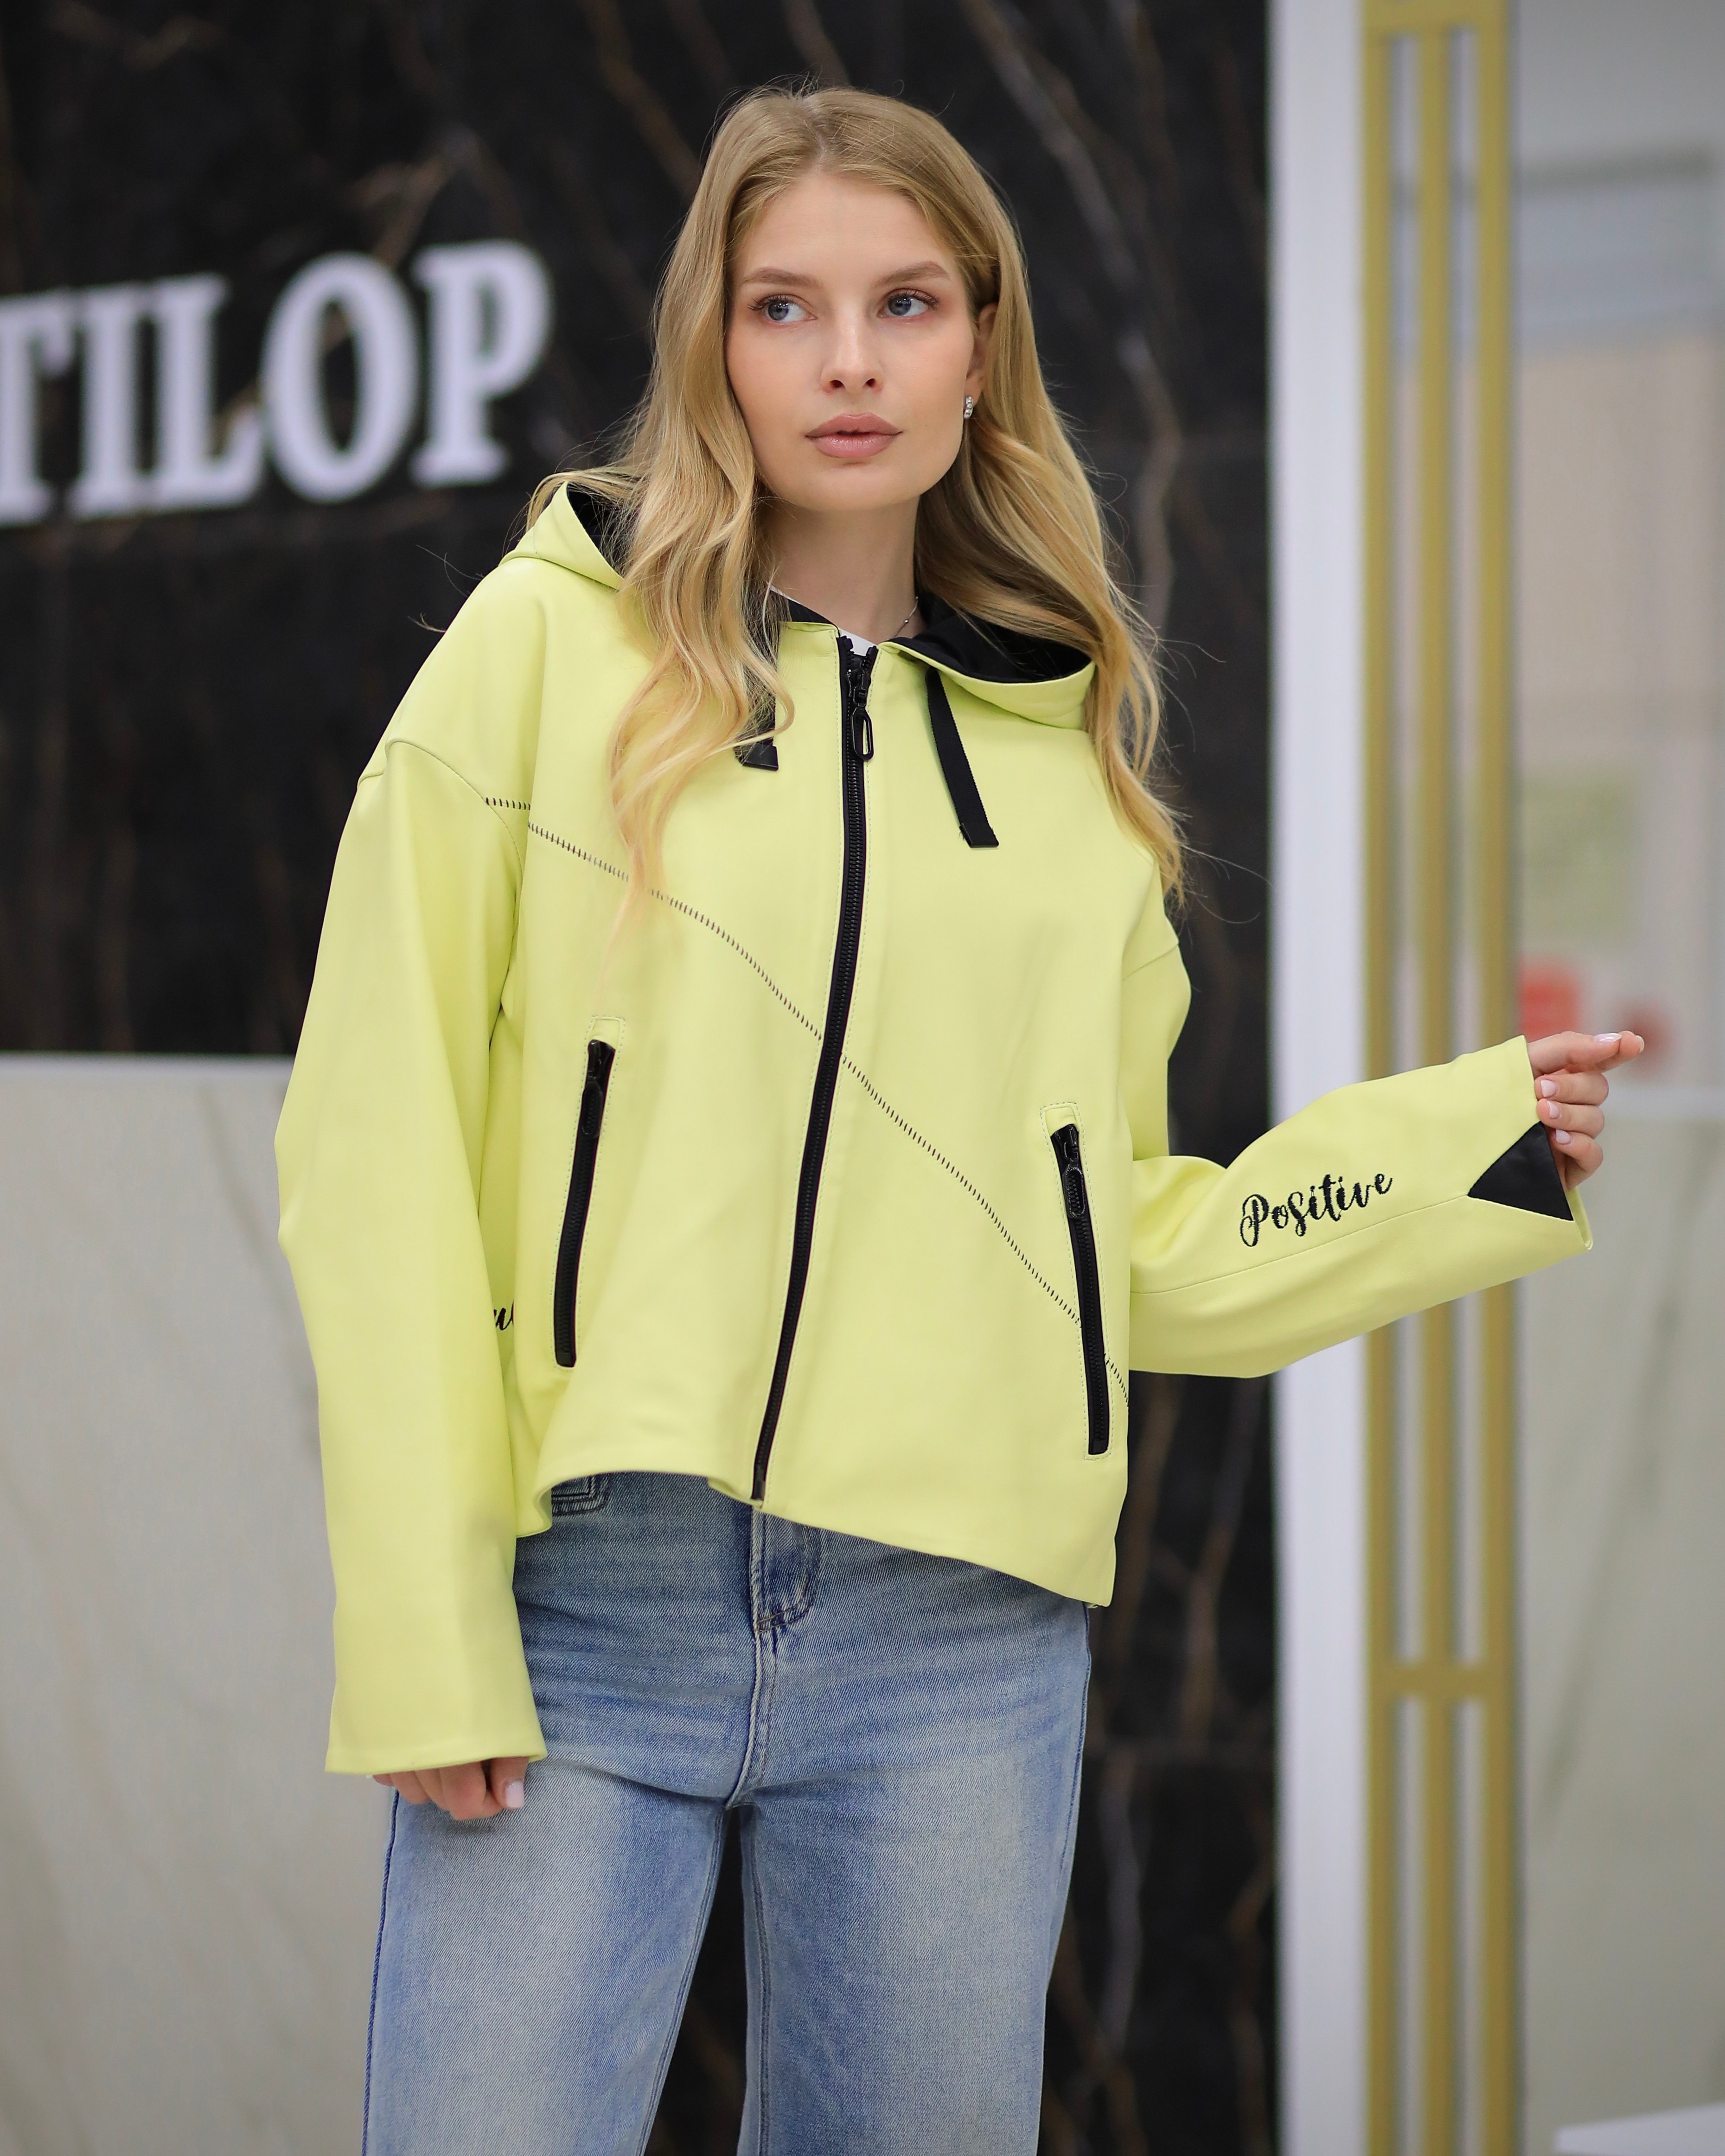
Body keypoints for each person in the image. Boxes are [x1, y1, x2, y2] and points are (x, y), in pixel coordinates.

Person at [275, 84, 1637, 2156]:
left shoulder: (1060, 755)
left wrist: (1468, 1152)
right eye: (786, 306)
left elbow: (1116, 1243)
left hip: (957, 1637)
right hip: (592, 1596)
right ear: (714, 342)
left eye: (905, 303)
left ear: (982, 342)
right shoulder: (550, 648)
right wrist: (421, 1623)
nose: (848, 361)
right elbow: (375, 1141)